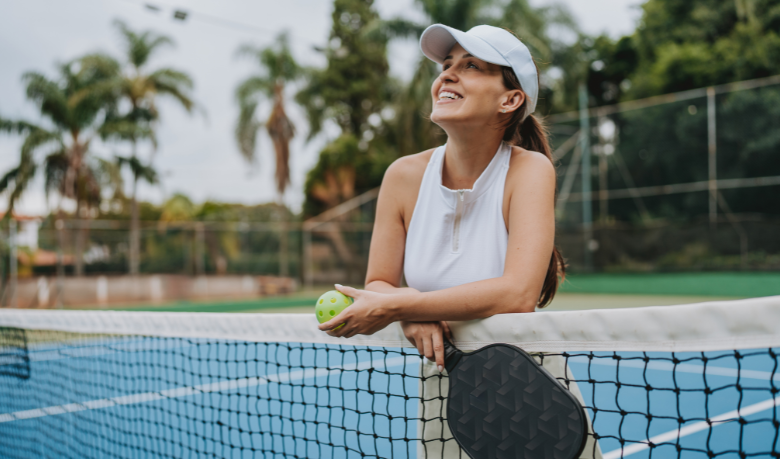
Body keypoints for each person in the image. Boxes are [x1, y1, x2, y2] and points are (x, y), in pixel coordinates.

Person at [318, 24, 602, 458]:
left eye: (471, 66)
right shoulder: (402, 176)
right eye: (446, 65)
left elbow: (518, 293)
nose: (448, 74)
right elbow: (378, 281)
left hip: (529, 378)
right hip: (442, 379)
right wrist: (406, 309)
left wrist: (401, 305)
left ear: (511, 100)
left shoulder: (530, 171)